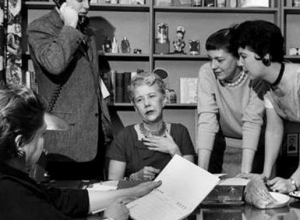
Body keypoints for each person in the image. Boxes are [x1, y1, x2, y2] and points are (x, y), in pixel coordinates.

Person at [0, 83, 161, 220]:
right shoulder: (12, 194)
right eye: (42, 134)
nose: (45, 145)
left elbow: (63, 200)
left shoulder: (12, 178)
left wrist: (134, 192)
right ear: (19, 143)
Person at [27, 0, 111, 180]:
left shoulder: (86, 31)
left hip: (94, 139)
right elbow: (54, 65)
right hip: (63, 143)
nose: (87, 6)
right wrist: (69, 26)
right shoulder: (40, 28)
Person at [232, 19, 300, 193]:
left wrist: (293, 182)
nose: (239, 63)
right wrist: (265, 174)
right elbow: (274, 130)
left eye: (244, 56)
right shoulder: (266, 86)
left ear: (266, 55)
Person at [197, 27, 267, 177]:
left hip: (256, 148)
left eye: (220, 60)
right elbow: (206, 119)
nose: (214, 66)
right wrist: (201, 172)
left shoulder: (255, 75)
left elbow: (252, 122)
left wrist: (245, 174)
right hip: (223, 147)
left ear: (238, 58)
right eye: (211, 59)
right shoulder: (206, 72)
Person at [107, 72, 195, 181]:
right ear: (135, 107)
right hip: (137, 197)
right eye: (139, 99)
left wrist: (174, 151)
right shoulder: (125, 137)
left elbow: (191, 182)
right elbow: (112, 185)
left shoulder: (180, 132)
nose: (146, 103)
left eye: (152, 96)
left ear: (164, 99)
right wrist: (134, 178)